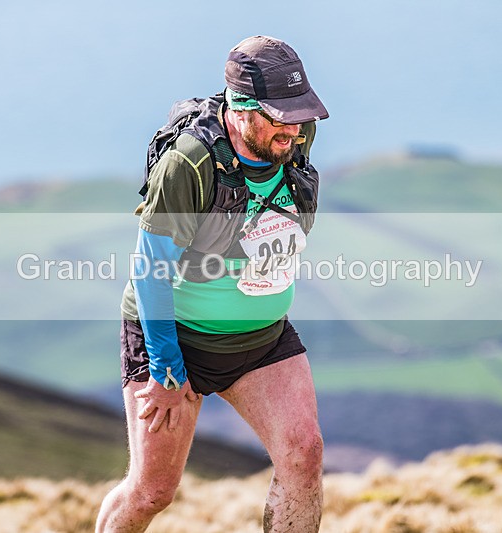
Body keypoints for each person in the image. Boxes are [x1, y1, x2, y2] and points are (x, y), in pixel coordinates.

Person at [96, 35, 329, 533]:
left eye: (300, 113)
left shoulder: (294, 135)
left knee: (304, 456)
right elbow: (151, 268)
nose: (293, 128)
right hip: (175, 342)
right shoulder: (189, 165)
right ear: (241, 109)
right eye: (278, 116)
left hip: (263, 341)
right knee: (152, 492)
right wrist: (163, 366)